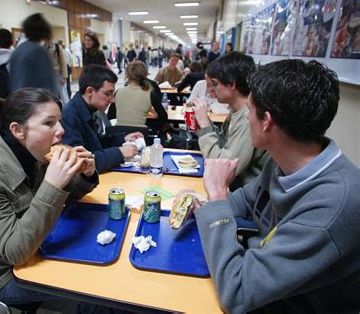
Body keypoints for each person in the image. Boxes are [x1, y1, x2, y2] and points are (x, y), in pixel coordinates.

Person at [187, 59, 360, 313]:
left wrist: (217, 196)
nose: (246, 119)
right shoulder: (283, 162)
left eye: (249, 110)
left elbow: (238, 293)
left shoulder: (334, 204)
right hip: (268, 284)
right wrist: (204, 205)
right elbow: (246, 200)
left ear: (266, 121)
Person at [0, 88, 98, 305]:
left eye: (59, 121)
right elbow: (15, 252)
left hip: (42, 244)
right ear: (17, 130)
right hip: (5, 276)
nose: (61, 130)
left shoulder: (34, 152)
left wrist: (87, 174)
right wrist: (52, 185)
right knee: (93, 284)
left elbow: (68, 196)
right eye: (49, 123)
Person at [193, 52, 269, 190]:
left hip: (247, 197)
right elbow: (223, 145)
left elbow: (221, 169)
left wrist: (204, 124)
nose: (210, 90)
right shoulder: (237, 111)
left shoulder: (248, 117)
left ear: (232, 84)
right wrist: (205, 125)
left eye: (214, 84)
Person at [61, 64, 142, 173]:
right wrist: (120, 153)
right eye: (108, 94)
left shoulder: (86, 109)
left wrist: (123, 139)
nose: (112, 100)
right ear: (90, 91)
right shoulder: (69, 116)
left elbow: (96, 143)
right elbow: (80, 161)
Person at [9, 13, 57, 95]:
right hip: (35, 102)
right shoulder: (38, 51)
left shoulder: (17, 50)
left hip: (17, 100)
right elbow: (47, 84)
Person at [110, 61, 167, 127]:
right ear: (145, 74)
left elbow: (110, 116)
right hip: (141, 133)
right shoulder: (150, 94)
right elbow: (163, 117)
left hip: (120, 134)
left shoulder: (118, 92)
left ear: (127, 74)